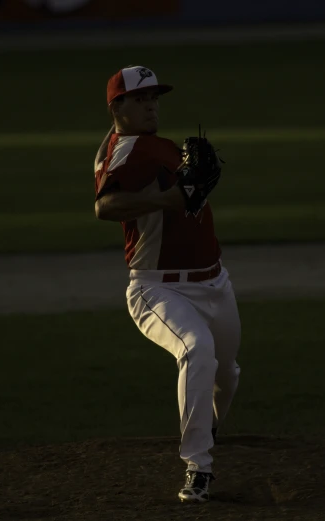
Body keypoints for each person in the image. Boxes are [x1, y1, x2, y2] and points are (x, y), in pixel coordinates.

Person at [93, 65, 242, 503]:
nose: (152, 105)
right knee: (196, 348)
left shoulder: (143, 145)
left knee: (227, 375)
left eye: (155, 98)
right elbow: (105, 206)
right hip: (160, 288)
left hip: (215, 281)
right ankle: (199, 466)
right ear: (117, 106)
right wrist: (166, 199)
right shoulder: (127, 152)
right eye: (141, 99)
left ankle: (208, 430)